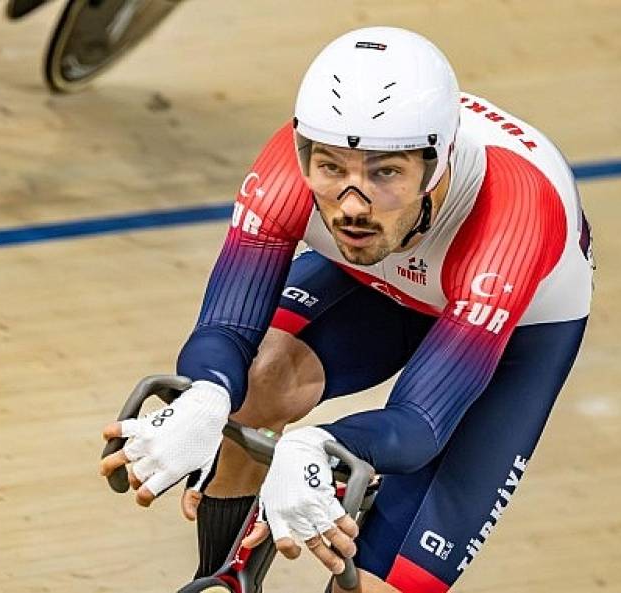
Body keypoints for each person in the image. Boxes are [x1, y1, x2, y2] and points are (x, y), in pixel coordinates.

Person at [100, 26, 594, 593]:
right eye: (332, 169)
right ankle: (222, 579)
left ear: (438, 165)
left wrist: (320, 445)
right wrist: (208, 395)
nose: (352, 205)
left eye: (386, 173)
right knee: (256, 384)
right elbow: (225, 328)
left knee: (389, 582)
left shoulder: (513, 217)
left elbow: (420, 424)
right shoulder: (290, 171)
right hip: (374, 273)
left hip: (508, 323)